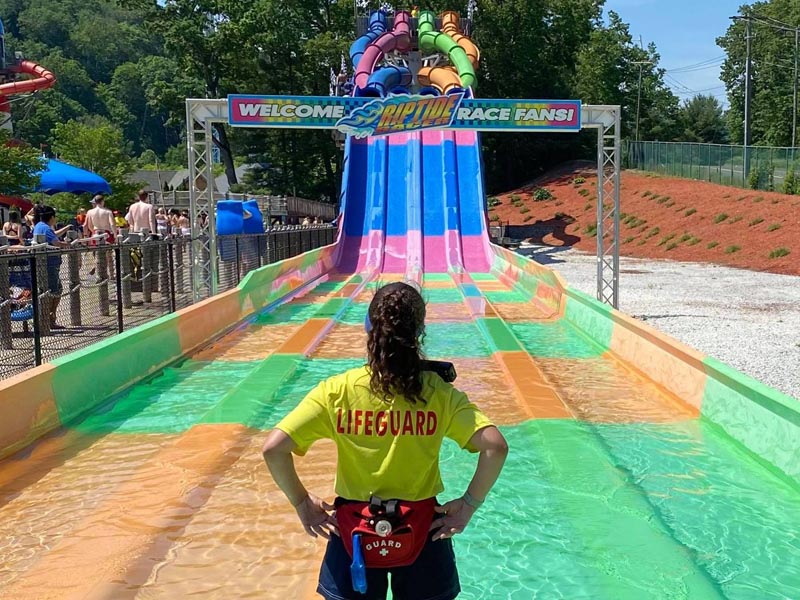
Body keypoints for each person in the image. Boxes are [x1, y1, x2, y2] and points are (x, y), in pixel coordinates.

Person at [262, 282, 509, 600]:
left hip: (353, 533)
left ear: (368, 327)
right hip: (424, 531)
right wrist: (468, 505)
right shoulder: (438, 393)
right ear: (419, 331)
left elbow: (274, 448)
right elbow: (495, 446)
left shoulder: (337, 391)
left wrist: (301, 503)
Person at [32, 205, 71, 329]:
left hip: (45, 264)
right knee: (55, 291)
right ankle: (49, 318)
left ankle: (48, 318)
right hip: (50, 265)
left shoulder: (40, 226)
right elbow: (56, 242)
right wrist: (70, 244)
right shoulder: (45, 228)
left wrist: (66, 228)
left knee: (52, 290)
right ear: (51, 217)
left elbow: (53, 235)